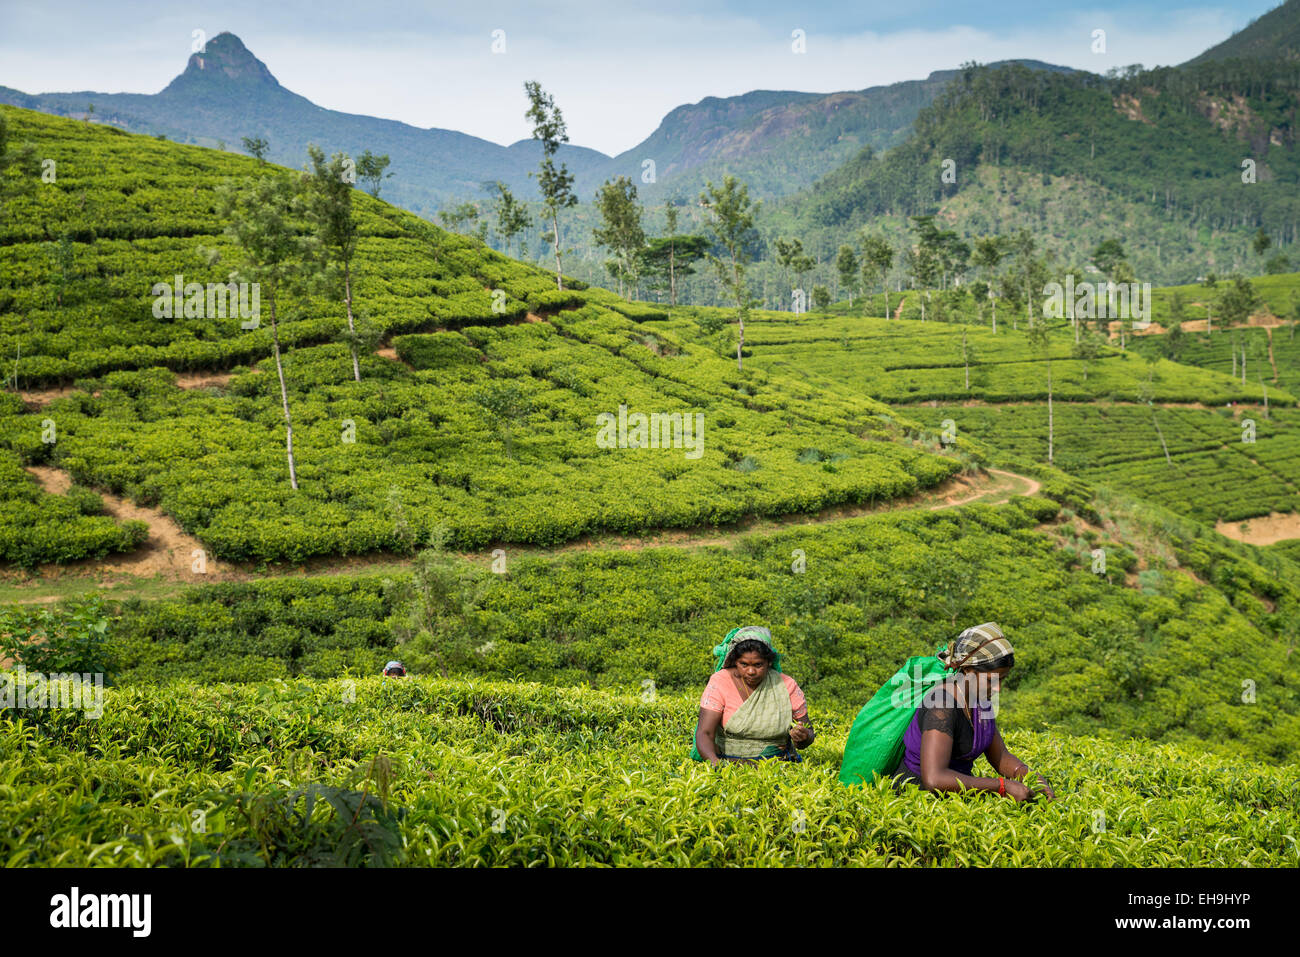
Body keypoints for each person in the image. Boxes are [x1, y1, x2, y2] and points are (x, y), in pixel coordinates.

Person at [893, 623, 1054, 802]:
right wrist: (1002, 786)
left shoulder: (981, 701)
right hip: (916, 797)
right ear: (968, 671)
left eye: (1002, 680)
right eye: (991, 680)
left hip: (956, 796)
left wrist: (1031, 777)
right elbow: (934, 779)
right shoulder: (941, 705)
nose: (998, 689)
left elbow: (1000, 756)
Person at [694, 625, 814, 765]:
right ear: (734, 662)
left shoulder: (786, 685)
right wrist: (716, 765)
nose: (751, 671)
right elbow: (705, 733)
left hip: (777, 767)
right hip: (729, 766)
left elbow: (808, 733)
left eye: (758, 665)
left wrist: (803, 737)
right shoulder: (720, 682)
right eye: (743, 664)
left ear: (769, 662)